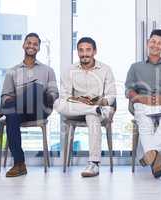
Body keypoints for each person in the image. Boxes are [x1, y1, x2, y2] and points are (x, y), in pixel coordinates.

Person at [54, 37, 116, 178]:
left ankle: (93, 163)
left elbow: (111, 95)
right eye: (81, 50)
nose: (84, 54)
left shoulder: (105, 70)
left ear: (94, 51)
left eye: (88, 50)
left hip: (100, 107)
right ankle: (92, 109)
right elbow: (65, 96)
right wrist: (81, 102)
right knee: (57, 103)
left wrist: (101, 101)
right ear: (78, 52)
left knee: (92, 116)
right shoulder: (69, 70)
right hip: (77, 108)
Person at [125, 29, 161, 178]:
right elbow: (129, 91)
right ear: (147, 43)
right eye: (153, 42)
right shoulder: (135, 67)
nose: (155, 45)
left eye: (159, 43)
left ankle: (150, 153)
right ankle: (157, 159)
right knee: (144, 120)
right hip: (143, 104)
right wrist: (139, 98)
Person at [0, 33, 59, 177]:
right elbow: (5, 97)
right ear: (23, 45)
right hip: (19, 111)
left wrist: (44, 96)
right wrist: (19, 99)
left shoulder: (48, 70)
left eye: (35, 44)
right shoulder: (12, 72)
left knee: (36, 88)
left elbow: (54, 93)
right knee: (11, 114)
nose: (31, 46)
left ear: (38, 48)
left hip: (40, 108)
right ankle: (19, 164)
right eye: (29, 43)